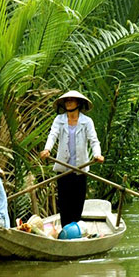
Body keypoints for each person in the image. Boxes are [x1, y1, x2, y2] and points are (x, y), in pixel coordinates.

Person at [40, 90, 104, 227]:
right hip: (63, 168)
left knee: (77, 203)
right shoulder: (60, 120)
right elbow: (53, 135)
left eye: (72, 100)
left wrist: (97, 154)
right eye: (67, 100)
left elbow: (94, 141)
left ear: (79, 103)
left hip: (80, 168)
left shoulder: (87, 121)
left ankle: (75, 230)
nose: (68, 102)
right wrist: (47, 149)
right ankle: (65, 230)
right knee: (64, 203)